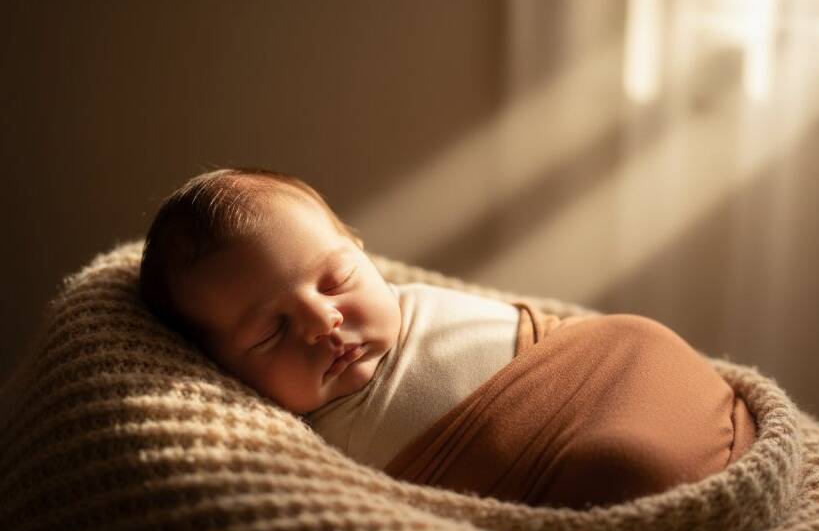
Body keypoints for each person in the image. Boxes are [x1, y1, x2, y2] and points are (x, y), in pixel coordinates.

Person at [140, 167, 757, 509]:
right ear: (220, 370)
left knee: (638, 393)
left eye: (335, 279)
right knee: (625, 472)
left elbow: (552, 332)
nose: (322, 322)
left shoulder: (406, 298)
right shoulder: (308, 449)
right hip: (572, 464)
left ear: (361, 250)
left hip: (613, 362)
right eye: (272, 331)